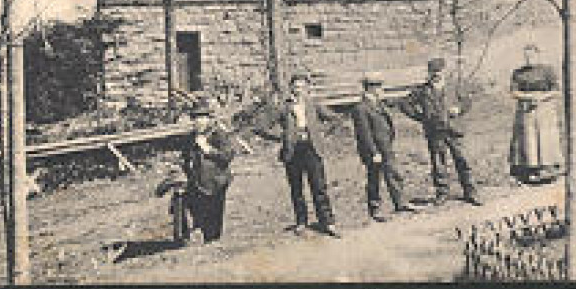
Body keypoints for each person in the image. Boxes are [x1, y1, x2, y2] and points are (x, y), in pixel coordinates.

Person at [252, 72, 342, 237]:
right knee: (296, 189)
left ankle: (327, 222)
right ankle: (302, 222)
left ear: (307, 88)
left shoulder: (313, 104)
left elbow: (336, 119)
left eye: (302, 87)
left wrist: (322, 133)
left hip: (312, 148)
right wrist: (282, 137)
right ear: (291, 88)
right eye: (296, 87)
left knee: (319, 187)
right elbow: (261, 127)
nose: (299, 90)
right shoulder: (284, 106)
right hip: (293, 151)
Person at [397, 58, 481, 205]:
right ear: (429, 73)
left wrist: (459, 109)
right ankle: (442, 193)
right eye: (433, 72)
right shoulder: (423, 90)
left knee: (463, 160)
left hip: (454, 130)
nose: (436, 74)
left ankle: (471, 192)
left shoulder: (454, 87)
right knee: (438, 163)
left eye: (439, 71)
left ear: (444, 71)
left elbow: (467, 101)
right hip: (435, 132)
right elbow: (404, 104)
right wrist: (421, 117)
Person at [351, 72, 417, 222]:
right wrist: (373, 152)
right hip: (373, 150)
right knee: (374, 178)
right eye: (378, 86)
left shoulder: (379, 103)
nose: (381, 89)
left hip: (386, 146)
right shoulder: (361, 108)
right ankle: (375, 209)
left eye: (380, 86)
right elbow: (364, 134)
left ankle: (400, 202)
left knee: (393, 173)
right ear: (369, 89)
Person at [177, 96, 237, 244]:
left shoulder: (219, 134)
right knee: (197, 211)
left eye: (202, 118)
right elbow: (184, 157)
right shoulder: (191, 137)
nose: (199, 122)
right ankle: (199, 236)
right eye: (196, 118)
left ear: (209, 119)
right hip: (197, 182)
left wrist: (207, 149)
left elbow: (227, 156)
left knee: (214, 216)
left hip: (216, 181)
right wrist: (183, 169)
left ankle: (213, 241)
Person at [508, 44, 563, 184]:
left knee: (546, 137)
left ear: (538, 55)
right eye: (526, 56)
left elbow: (557, 90)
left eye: (531, 55)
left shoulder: (548, 71)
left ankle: (549, 169)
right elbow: (513, 92)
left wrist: (541, 97)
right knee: (528, 138)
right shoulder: (518, 73)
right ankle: (530, 169)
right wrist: (527, 97)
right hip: (526, 107)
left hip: (545, 107)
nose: (529, 58)